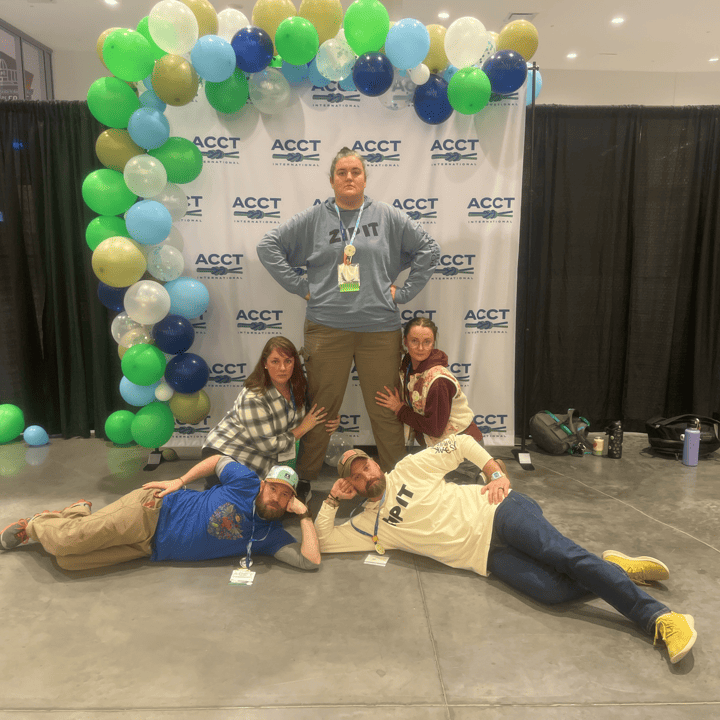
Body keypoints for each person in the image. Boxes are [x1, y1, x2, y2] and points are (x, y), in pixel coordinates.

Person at [315, 435, 697, 665]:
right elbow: (325, 544)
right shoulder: (368, 525)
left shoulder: (409, 468)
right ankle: (614, 568)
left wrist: (494, 471)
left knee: (565, 557)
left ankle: (661, 618)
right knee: (553, 592)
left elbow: (461, 443)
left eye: (366, 468)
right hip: (487, 559)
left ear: (376, 464)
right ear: (351, 486)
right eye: (356, 478)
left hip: (498, 511)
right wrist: (330, 502)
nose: (366, 477)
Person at [257, 147, 440, 500]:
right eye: (342, 172)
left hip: (380, 328)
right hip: (327, 326)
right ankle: (305, 478)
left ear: (365, 178)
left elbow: (428, 249)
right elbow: (269, 246)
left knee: (386, 405)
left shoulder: (386, 216)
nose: (349, 177)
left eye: (355, 171)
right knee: (321, 407)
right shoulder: (314, 219)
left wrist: (403, 294)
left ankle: (396, 475)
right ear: (331, 180)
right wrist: (300, 287)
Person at [1, 456, 321, 572]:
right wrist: (180, 480)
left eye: (285, 496)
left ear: (290, 503)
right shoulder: (246, 482)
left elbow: (309, 561)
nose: (277, 498)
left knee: (70, 561)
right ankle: (35, 524)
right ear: (264, 484)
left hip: (149, 549)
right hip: (153, 511)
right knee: (69, 541)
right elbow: (217, 460)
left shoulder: (270, 535)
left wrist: (305, 516)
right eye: (274, 489)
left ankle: (74, 512)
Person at [203, 336, 338, 497]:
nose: (282, 368)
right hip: (225, 454)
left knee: (275, 506)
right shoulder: (254, 397)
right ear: (265, 364)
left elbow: (314, 412)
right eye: (275, 361)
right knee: (251, 510)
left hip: (261, 462)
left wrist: (333, 419)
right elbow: (268, 446)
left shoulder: (298, 386)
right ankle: (215, 488)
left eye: (288, 361)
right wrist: (303, 428)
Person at [376, 315, 484, 447]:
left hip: (464, 449)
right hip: (438, 447)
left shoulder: (438, 381)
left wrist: (399, 408)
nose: (420, 348)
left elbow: (435, 429)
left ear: (433, 343)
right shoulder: (408, 367)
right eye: (414, 341)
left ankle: (493, 466)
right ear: (405, 342)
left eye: (427, 342)